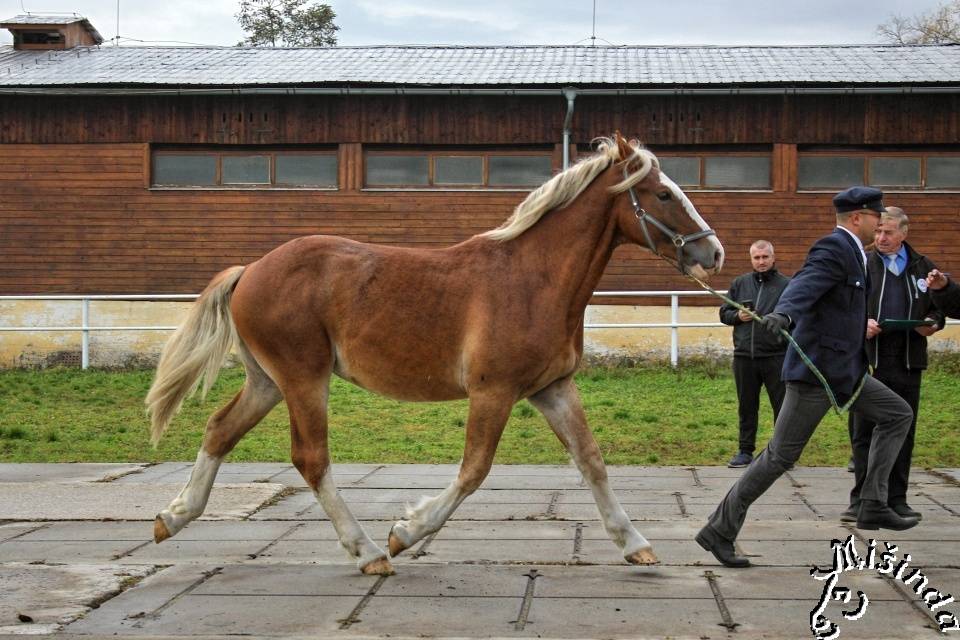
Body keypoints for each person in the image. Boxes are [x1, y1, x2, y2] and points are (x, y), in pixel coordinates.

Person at [695, 186, 917, 569]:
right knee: (779, 456)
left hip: (846, 372)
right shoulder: (834, 248)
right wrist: (784, 313)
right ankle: (719, 530)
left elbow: (835, 304)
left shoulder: (857, 254)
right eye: (875, 219)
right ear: (856, 218)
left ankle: (873, 503)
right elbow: (805, 284)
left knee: (897, 414)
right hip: (816, 374)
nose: (879, 226)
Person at [842, 207, 945, 523]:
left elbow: (937, 309)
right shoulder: (863, 263)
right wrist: (861, 324)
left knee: (904, 429)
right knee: (864, 432)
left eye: (888, 232)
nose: (881, 238)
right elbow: (843, 306)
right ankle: (861, 499)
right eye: (878, 232)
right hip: (869, 359)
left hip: (908, 358)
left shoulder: (922, 267)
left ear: (904, 233)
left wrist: (933, 324)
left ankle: (896, 499)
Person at [719, 240, 790, 468]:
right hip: (744, 357)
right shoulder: (739, 284)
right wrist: (738, 317)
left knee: (782, 406)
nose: (761, 262)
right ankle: (744, 450)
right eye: (756, 258)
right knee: (747, 406)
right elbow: (724, 313)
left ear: (773, 257)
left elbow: (795, 316)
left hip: (775, 357)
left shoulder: (787, 285)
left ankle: (782, 453)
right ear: (751, 259)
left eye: (765, 257)